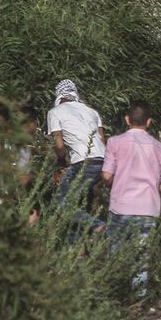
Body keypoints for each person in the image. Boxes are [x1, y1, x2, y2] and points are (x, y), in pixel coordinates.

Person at [101, 101, 161, 296]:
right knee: (141, 257)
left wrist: (117, 182)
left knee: (114, 253)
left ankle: (114, 296)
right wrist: (149, 184)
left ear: (126, 119)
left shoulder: (114, 142)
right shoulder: (160, 148)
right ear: (149, 122)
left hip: (120, 208)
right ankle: (138, 301)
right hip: (147, 209)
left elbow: (107, 176)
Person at [47, 79, 106, 227]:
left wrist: (61, 165)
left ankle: (99, 226)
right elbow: (101, 140)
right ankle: (79, 243)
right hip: (104, 162)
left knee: (61, 205)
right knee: (82, 204)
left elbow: (60, 147)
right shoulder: (92, 112)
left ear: (58, 96)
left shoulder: (54, 112)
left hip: (84, 162)